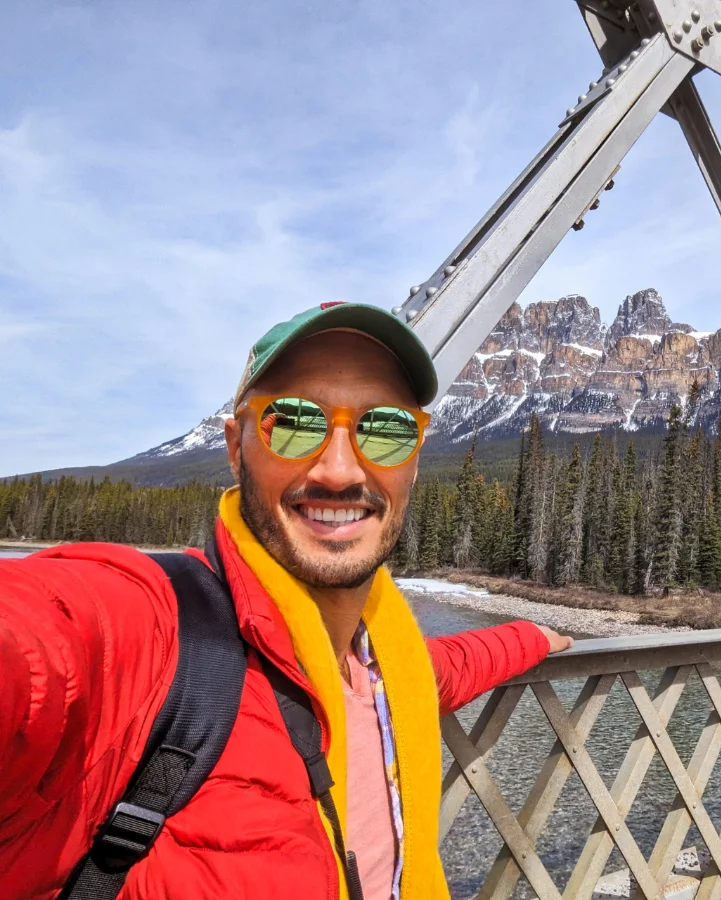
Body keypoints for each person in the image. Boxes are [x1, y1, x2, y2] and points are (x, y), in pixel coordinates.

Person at [0, 302, 574, 900]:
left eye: (386, 429)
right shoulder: (154, 627)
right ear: (234, 445)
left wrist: (533, 637)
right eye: (295, 421)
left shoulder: (385, 664)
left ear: (416, 456)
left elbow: (443, 670)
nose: (339, 471)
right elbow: (39, 651)